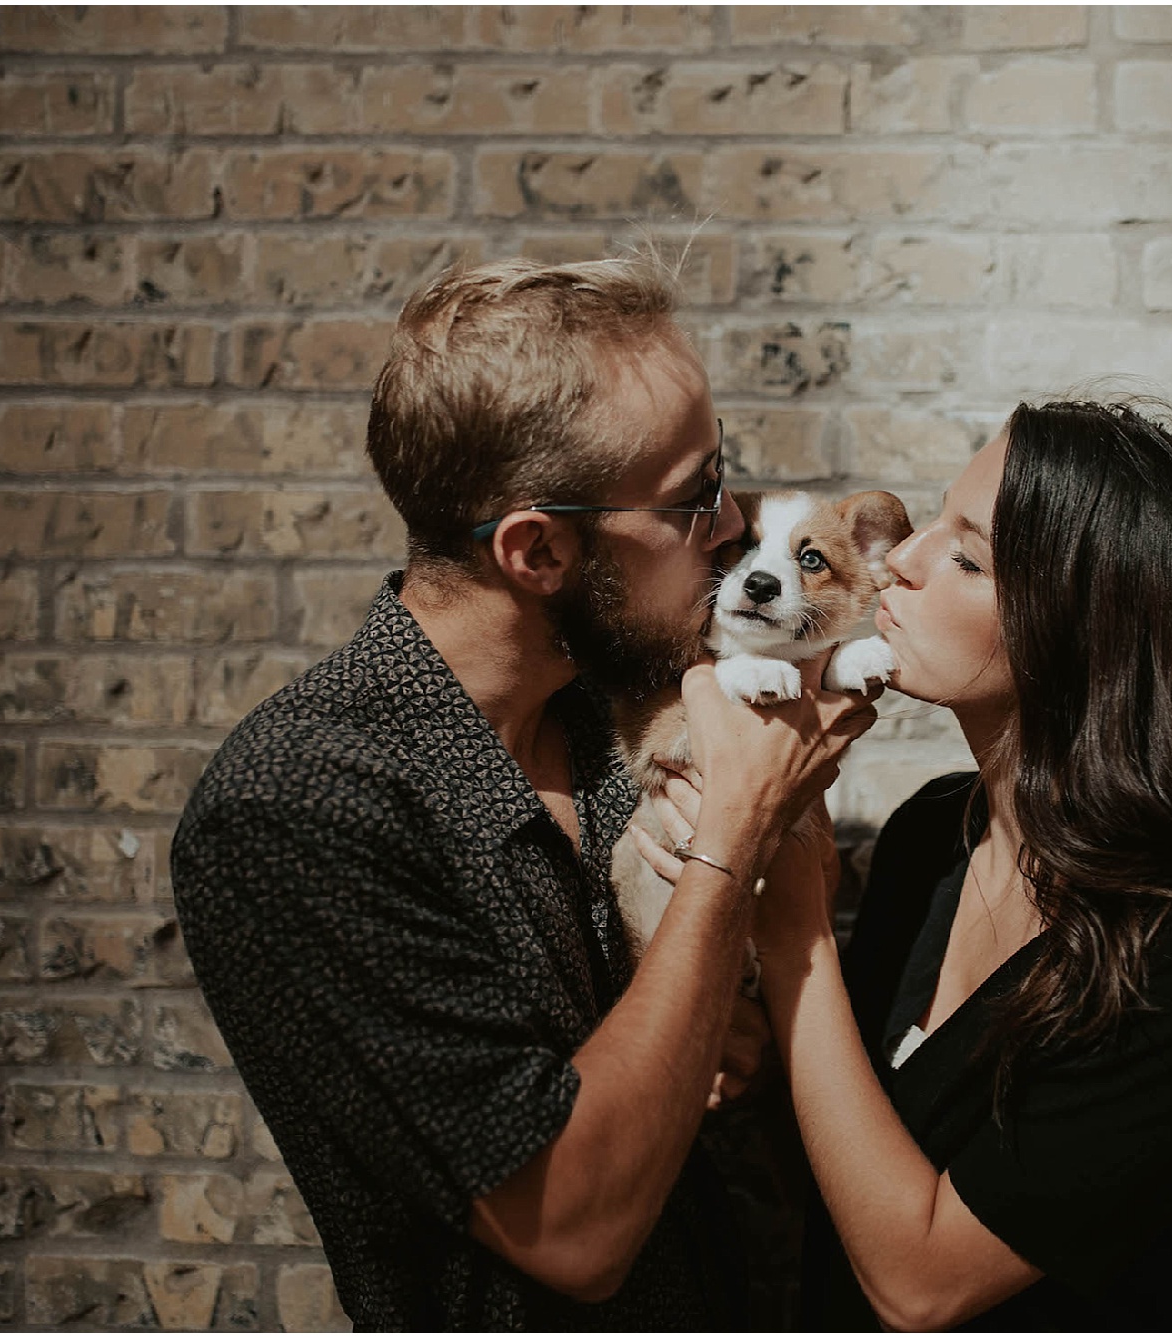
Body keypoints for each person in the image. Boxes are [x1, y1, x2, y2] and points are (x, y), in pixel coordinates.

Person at [169, 255, 880, 1329]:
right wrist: (730, 844)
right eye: (693, 498)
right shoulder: (297, 808)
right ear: (538, 550)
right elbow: (570, 1230)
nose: (732, 525)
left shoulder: (624, 701)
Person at [633, 399, 1172, 1330]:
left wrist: (794, 920)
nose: (903, 559)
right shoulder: (933, 834)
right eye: (933, 523)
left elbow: (921, 1287)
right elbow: (848, 1156)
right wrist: (751, 1065)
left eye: (966, 557)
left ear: (1079, 630)